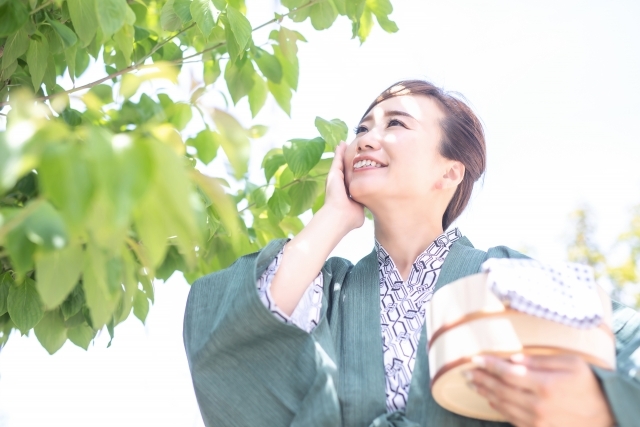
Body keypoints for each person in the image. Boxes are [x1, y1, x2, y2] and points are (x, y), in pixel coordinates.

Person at [183, 80, 640, 427]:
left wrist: (598, 403)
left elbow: (624, 337)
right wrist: (335, 217)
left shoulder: (500, 276)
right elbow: (232, 335)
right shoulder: (327, 292)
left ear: (449, 171)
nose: (365, 137)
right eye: (362, 128)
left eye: (395, 123)